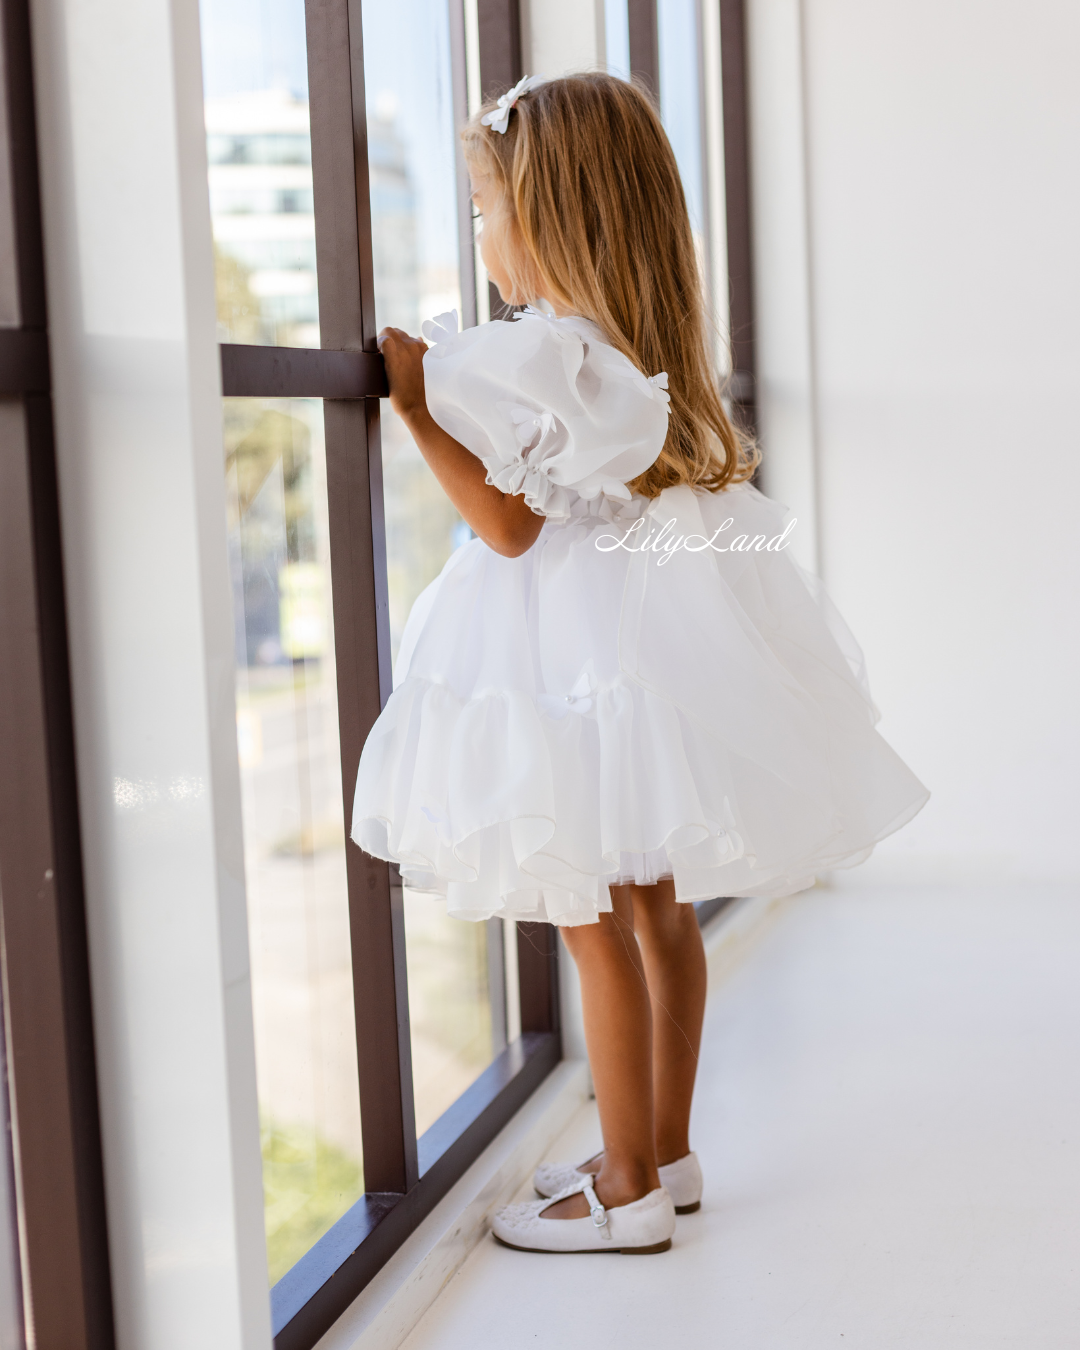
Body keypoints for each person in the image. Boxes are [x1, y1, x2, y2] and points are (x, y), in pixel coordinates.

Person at [351, 72, 928, 1256]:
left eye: (483, 206)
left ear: (550, 214)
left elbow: (508, 528)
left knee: (590, 914)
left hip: (566, 659)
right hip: (635, 652)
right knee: (658, 908)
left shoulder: (535, 354)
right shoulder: (628, 356)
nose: (479, 232)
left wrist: (415, 409)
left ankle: (623, 1189)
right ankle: (665, 1152)